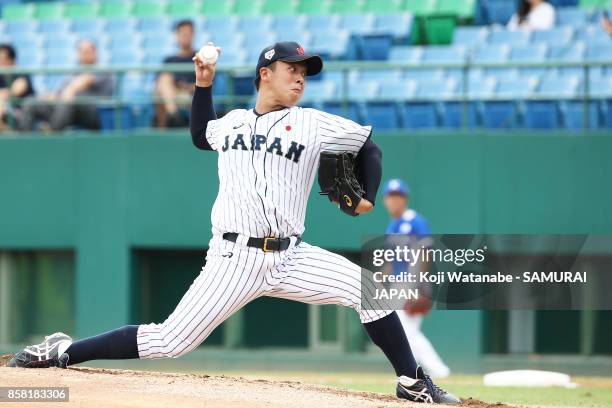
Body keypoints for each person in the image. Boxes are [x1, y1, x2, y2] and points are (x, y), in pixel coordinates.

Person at [7, 41, 460, 404]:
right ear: (266, 74)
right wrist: (203, 84)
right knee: (169, 341)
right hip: (233, 257)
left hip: (290, 254)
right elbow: (202, 135)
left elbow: (369, 146)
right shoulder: (234, 122)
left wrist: (366, 196)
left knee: (369, 290)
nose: (300, 78)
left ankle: (411, 382)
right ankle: (63, 350)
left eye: (305, 72)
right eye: (292, 69)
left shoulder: (314, 124)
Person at [383, 179, 451, 379]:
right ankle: (423, 371)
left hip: (412, 281)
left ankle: (438, 371)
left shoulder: (414, 220)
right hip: (397, 283)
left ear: (405, 199)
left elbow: (425, 252)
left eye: (398, 196)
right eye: (390, 197)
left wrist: (420, 285)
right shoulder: (392, 225)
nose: (393, 201)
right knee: (403, 331)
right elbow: (391, 259)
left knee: (408, 332)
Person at [15, 40, 112, 132]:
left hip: (92, 113)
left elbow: (85, 80)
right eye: (81, 51)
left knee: (69, 101)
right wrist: (51, 97)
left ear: (95, 53)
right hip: (66, 110)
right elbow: (60, 94)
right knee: (31, 103)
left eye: (87, 51)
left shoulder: (102, 71)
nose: (84, 54)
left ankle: (50, 135)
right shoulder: (72, 74)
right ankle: (24, 140)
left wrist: (69, 91)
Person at [154, 19, 197, 128]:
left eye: (187, 34)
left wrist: (187, 87)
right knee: (164, 80)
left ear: (193, 35)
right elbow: (159, 83)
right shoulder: (169, 60)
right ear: (177, 36)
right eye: (182, 34)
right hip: (171, 95)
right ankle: (173, 114)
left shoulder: (199, 58)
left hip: (191, 95)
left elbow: (208, 84)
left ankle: (173, 114)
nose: (185, 37)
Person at [0, 44, 35, 131]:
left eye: (3, 60)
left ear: (13, 60)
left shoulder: (21, 73)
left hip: (21, 114)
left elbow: (17, 90)